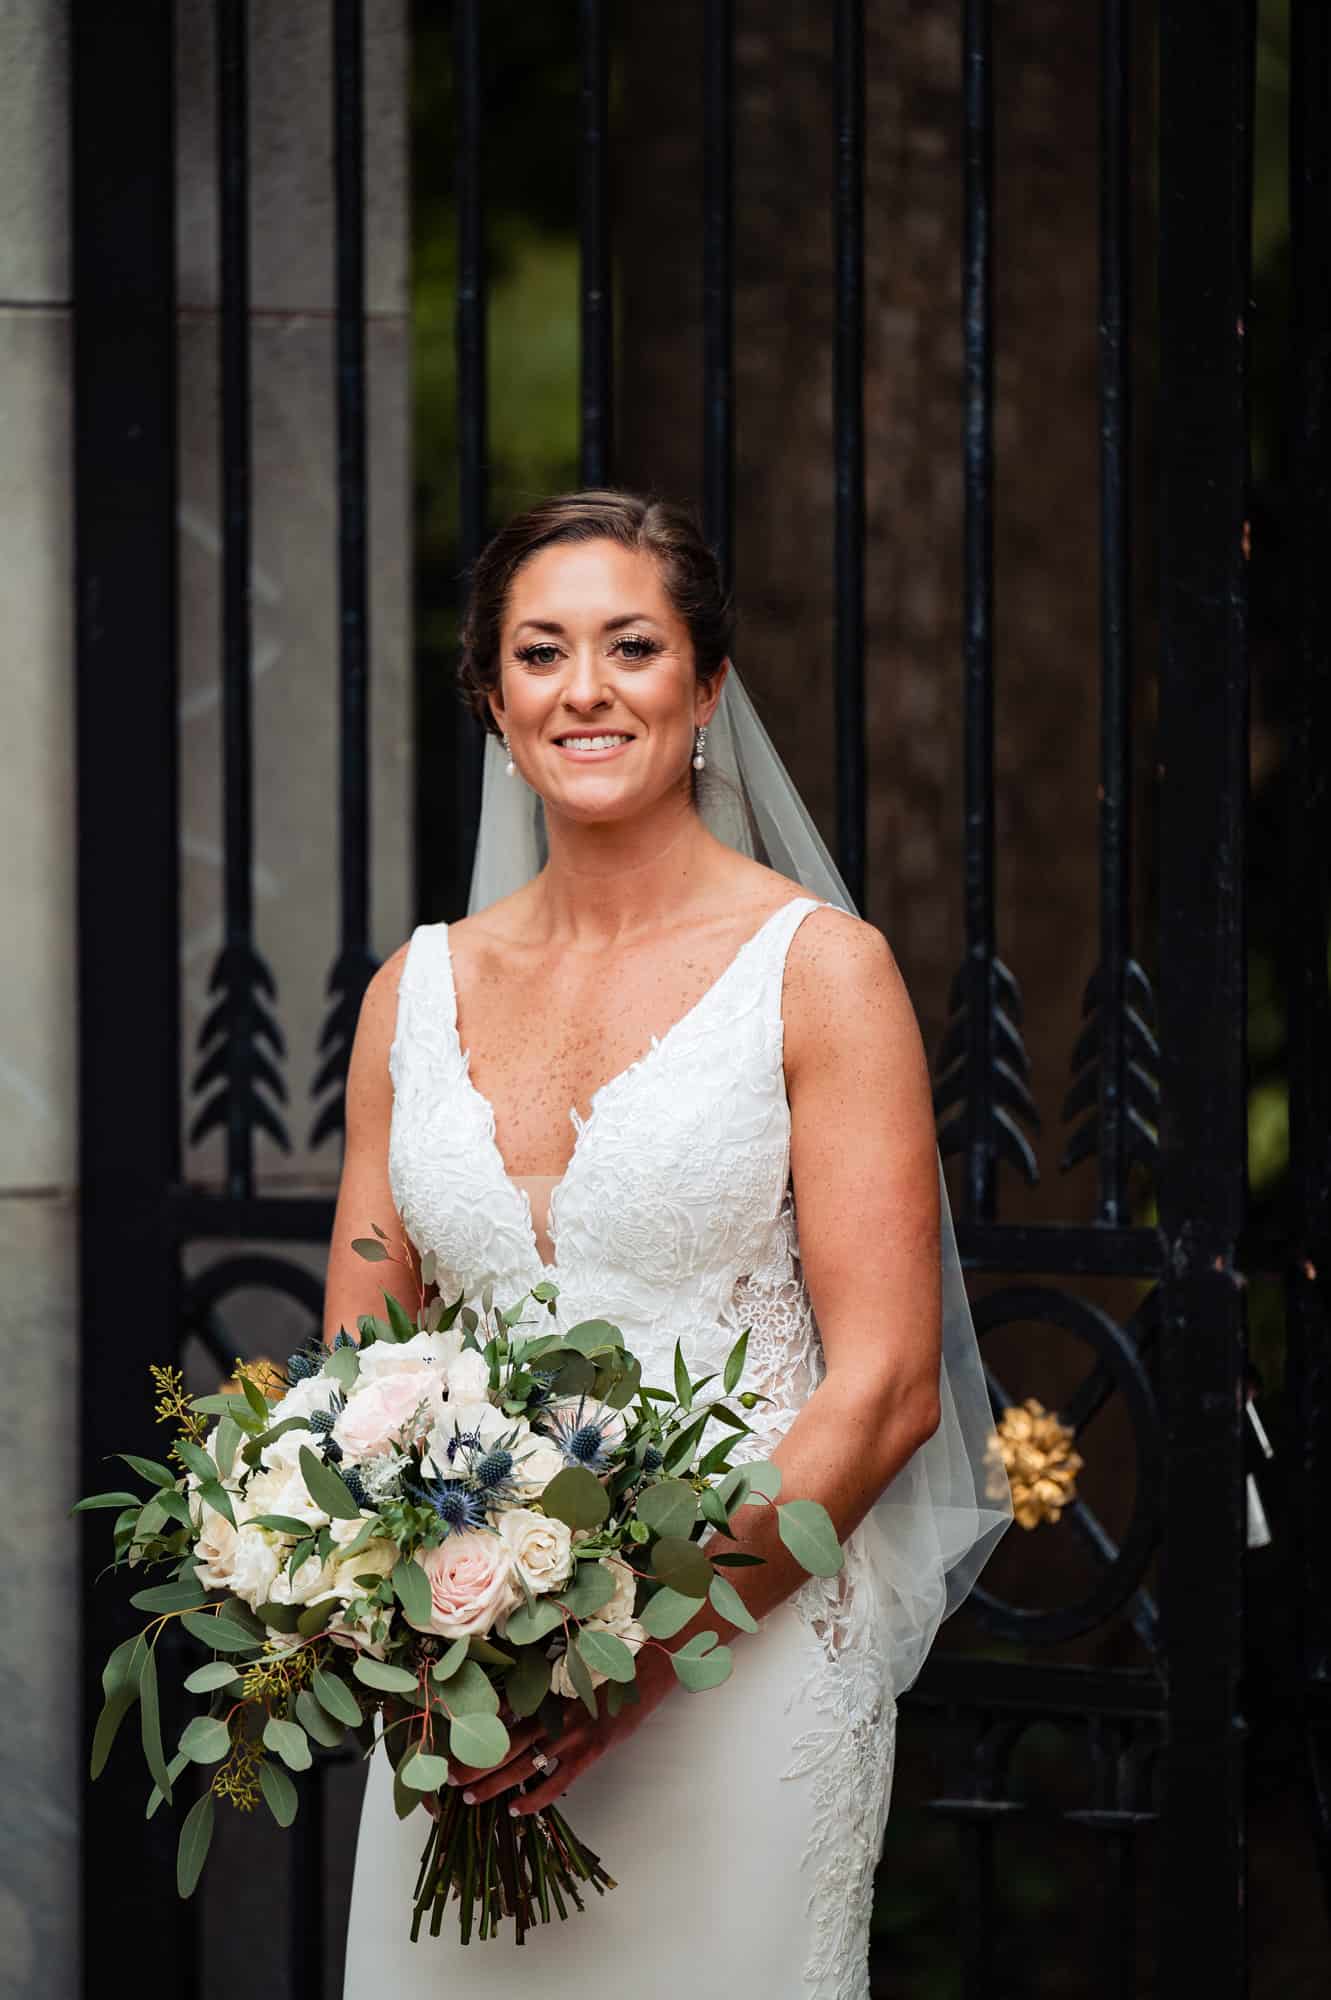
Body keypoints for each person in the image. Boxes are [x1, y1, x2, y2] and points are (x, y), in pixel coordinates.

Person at [332, 489, 1010, 1999]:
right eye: (539, 652)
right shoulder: (413, 992)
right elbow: (357, 1374)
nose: (586, 689)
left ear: (706, 687)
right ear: (492, 698)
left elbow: (890, 1386)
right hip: (472, 1696)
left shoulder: (819, 974)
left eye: (632, 647)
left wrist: (637, 1658)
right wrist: (427, 1623)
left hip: (740, 1663)